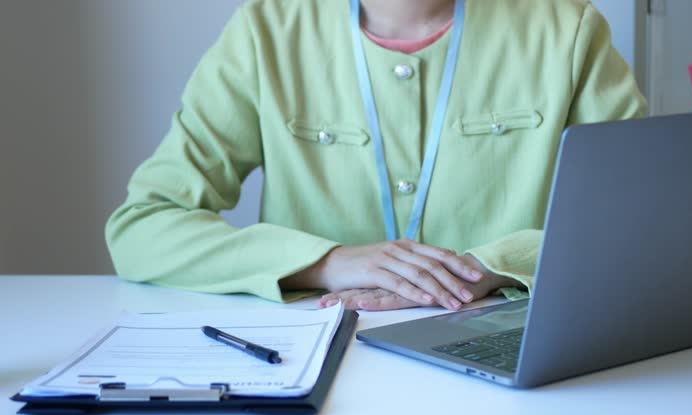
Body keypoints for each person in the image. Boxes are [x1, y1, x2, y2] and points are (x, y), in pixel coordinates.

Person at [105, 0, 647, 312]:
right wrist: (325, 262)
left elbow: (646, 218)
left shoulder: (565, 27)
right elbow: (143, 228)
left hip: (508, 348)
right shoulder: (266, 31)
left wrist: (488, 268)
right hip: (314, 359)